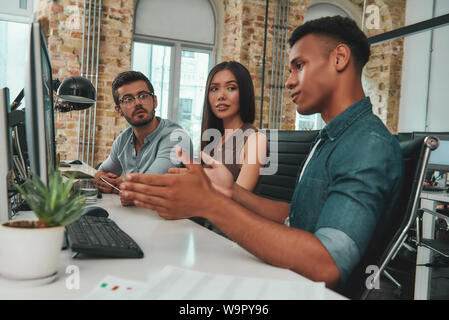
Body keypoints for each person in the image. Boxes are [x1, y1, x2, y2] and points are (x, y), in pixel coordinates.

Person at [119, 16, 404, 291]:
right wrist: (232, 192)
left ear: (339, 58)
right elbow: (296, 216)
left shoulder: (367, 144)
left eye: (299, 66)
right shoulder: (330, 137)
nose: (289, 81)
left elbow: (327, 264)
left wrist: (211, 203)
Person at [94, 71, 192, 206]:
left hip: (173, 221)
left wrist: (121, 187)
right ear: (119, 110)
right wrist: (99, 178)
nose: (138, 103)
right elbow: (103, 171)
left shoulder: (176, 136)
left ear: (155, 101)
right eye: (128, 99)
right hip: (139, 217)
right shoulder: (123, 139)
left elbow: (151, 185)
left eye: (143, 96)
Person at [201, 61, 267, 192]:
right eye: (214, 89)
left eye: (231, 88)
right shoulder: (214, 138)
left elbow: (240, 200)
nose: (221, 96)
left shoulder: (255, 139)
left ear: (244, 93)